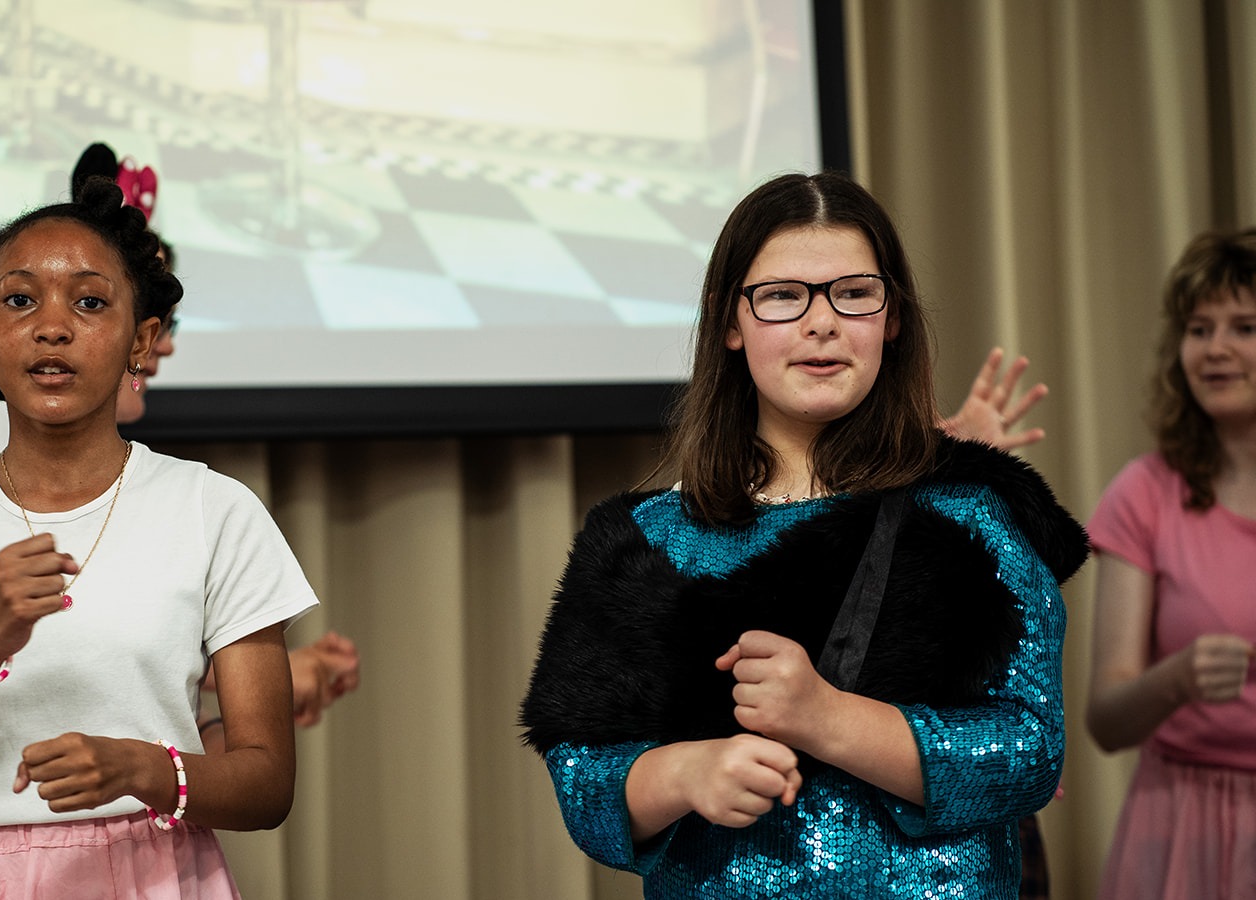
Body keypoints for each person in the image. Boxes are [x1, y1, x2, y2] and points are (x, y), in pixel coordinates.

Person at [518, 170, 1089, 898]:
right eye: (784, 296)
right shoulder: (640, 542)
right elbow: (582, 781)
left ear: (892, 318)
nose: (822, 322)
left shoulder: (972, 514)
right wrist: (686, 772)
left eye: (853, 293)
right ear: (732, 323)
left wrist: (827, 718)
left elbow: (1031, 753)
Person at [0, 178, 319, 898]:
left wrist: (142, 769)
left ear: (142, 339)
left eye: (89, 302)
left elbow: (268, 783)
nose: (52, 326)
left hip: (155, 873)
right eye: (20, 300)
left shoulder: (215, 509)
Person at [1086, 227, 1256, 899]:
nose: (1214, 349)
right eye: (1198, 328)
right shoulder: (1145, 492)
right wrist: (1178, 678)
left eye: (1244, 327)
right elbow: (1105, 721)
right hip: (1178, 827)